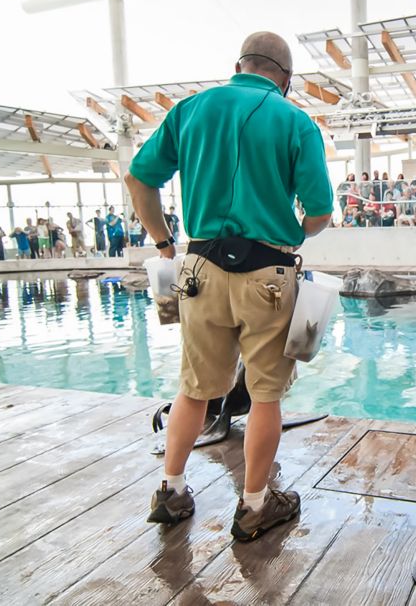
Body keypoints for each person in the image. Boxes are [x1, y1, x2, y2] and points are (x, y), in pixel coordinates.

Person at [124, 31, 333, 538]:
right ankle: (256, 505)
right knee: (265, 396)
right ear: (285, 78)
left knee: (193, 389)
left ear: (239, 64)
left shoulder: (191, 109)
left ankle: (171, 492)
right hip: (268, 274)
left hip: (198, 269)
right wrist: (291, 232)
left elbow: (138, 178)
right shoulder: (294, 120)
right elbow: (321, 210)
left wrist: (164, 243)